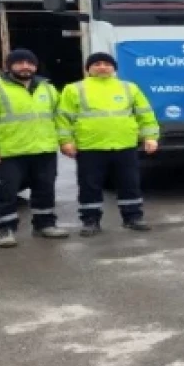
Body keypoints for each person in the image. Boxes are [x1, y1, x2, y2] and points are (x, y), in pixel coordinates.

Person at [0, 49, 70, 247]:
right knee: (5, 193)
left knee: (45, 189)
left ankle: (45, 224)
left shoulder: (48, 89)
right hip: (9, 152)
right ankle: (4, 229)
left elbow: (59, 119)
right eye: (19, 62)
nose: (25, 66)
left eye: (30, 63)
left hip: (43, 150)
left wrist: (64, 141)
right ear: (8, 66)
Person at [56, 52, 159, 235]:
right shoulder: (74, 89)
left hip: (125, 145)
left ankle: (133, 217)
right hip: (90, 147)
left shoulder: (129, 88)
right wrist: (65, 142)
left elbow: (145, 114)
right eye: (97, 64)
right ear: (88, 68)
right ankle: (90, 221)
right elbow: (63, 118)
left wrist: (150, 137)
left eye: (106, 64)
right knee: (89, 186)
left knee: (130, 184)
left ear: (114, 68)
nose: (102, 67)